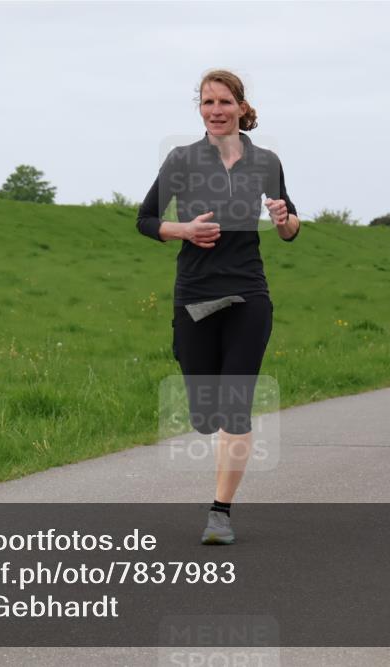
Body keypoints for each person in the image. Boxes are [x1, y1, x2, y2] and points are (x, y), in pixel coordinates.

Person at [136, 69, 300, 544]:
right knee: (206, 411)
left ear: (241, 107)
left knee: (236, 407)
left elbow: (289, 229)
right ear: (200, 109)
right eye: (207, 102)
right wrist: (182, 230)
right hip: (195, 292)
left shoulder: (265, 161)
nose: (216, 110)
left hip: (249, 291)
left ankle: (220, 513)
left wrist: (285, 219)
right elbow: (146, 220)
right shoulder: (182, 160)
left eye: (224, 102)